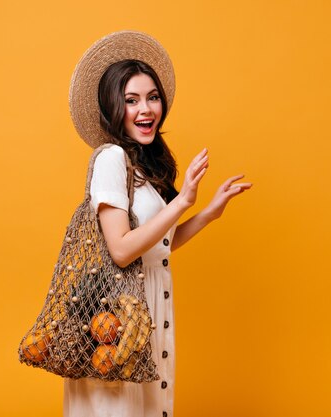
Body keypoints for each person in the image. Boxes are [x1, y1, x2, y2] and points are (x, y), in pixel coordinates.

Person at [64, 31, 252, 417]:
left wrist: (206, 214)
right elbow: (120, 249)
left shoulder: (144, 166)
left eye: (152, 97)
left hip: (149, 306)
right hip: (116, 315)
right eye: (131, 100)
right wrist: (181, 201)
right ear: (112, 108)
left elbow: (154, 245)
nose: (145, 108)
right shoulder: (111, 158)